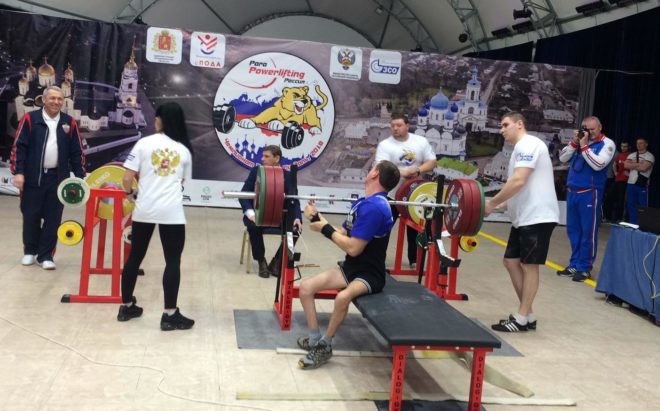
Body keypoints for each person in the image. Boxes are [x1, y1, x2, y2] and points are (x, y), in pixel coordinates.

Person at [296, 160, 400, 369]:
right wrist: (317, 218)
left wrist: (324, 229)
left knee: (342, 298)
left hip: (370, 274)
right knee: (306, 288)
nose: (369, 170)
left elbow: (353, 248)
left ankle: (325, 345)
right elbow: (343, 233)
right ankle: (315, 339)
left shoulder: (376, 208)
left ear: (375, 174)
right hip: (351, 268)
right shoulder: (362, 203)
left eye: (372, 167)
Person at [117, 102, 195, 331]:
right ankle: (169, 314)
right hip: (171, 212)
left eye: (156, 118)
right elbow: (183, 181)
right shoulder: (184, 150)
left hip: (144, 209)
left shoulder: (143, 143)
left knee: (135, 257)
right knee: (172, 261)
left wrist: (130, 194)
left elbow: (127, 178)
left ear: (161, 120)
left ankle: (126, 306)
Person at [485, 112, 559, 332]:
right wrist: (496, 206)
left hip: (537, 216)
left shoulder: (529, 144)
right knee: (511, 261)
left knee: (529, 266)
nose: (501, 130)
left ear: (519, 124)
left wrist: (492, 202)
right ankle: (528, 315)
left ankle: (521, 317)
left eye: (505, 125)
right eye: (500, 126)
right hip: (524, 217)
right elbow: (521, 187)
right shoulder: (519, 149)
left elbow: (518, 181)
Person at [10, 85, 86, 270]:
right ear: (44, 100)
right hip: (32, 177)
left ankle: (45, 255)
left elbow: (77, 151)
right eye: (52, 98)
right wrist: (18, 172)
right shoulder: (30, 119)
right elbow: (19, 147)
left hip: (58, 179)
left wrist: (80, 177)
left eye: (59, 99)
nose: (56, 102)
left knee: (53, 219)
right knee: (31, 216)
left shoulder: (69, 122)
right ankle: (30, 251)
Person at [557, 116, 615, 282]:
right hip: (573, 192)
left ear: (600, 127)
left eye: (592, 129)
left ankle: (584, 268)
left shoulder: (607, 143)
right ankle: (574, 264)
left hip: (590, 193)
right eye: (586, 129)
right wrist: (575, 143)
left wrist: (584, 146)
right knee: (573, 231)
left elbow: (598, 164)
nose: (589, 132)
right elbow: (562, 158)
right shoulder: (580, 142)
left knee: (587, 232)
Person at [374, 113, 436, 267]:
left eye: (399, 125)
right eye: (393, 126)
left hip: (415, 195)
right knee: (383, 229)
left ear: (407, 126)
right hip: (392, 195)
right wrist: (404, 172)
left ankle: (414, 261)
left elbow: (432, 162)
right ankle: (378, 260)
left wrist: (418, 170)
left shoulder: (421, 142)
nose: (395, 128)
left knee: (415, 229)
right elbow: (381, 168)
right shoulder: (385, 145)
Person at [239, 145, 302, 278]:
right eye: (263, 156)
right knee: (253, 227)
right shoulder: (256, 171)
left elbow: (294, 199)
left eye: (266, 156)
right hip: (257, 215)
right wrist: (251, 214)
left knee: (296, 229)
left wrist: (297, 218)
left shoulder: (288, 176)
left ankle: (277, 261)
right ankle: (261, 260)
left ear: (277, 158)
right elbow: (243, 195)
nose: (262, 159)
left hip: (278, 217)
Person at [624, 138, 654, 224]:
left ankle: (642, 224)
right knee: (631, 204)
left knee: (642, 205)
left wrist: (632, 164)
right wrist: (639, 164)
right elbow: (626, 165)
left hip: (642, 183)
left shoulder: (649, 156)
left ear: (646, 144)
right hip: (631, 183)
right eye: (637, 143)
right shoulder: (632, 155)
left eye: (641, 143)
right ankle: (633, 223)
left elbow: (644, 168)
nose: (638, 145)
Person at [610, 141, 630, 222]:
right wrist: (615, 172)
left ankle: (620, 218)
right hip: (617, 179)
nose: (623, 148)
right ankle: (611, 217)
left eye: (625, 146)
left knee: (621, 200)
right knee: (611, 197)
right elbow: (614, 164)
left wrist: (629, 174)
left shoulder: (630, 155)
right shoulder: (619, 155)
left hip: (625, 181)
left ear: (628, 147)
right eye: (622, 146)